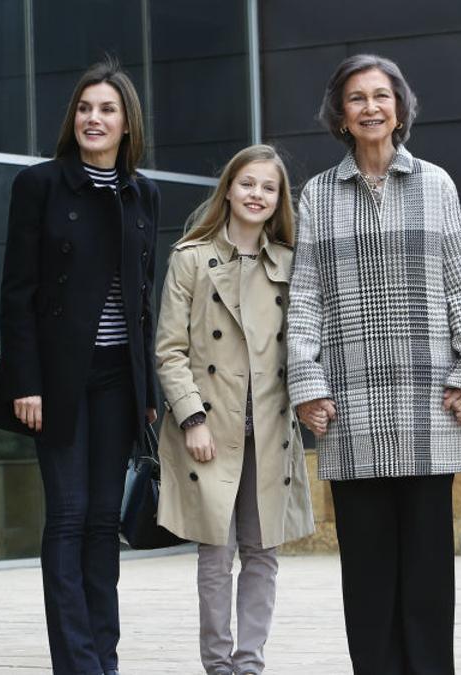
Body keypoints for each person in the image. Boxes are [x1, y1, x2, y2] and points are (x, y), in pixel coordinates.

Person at [285, 54, 461, 675]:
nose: (371, 107)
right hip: (351, 409)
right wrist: (306, 381)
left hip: (430, 407)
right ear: (341, 115)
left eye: (382, 95)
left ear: (399, 107)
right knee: (368, 577)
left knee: (429, 575)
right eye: (357, 98)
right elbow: (304, 297)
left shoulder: (437, 184)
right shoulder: (319, 194)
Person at [0, 61, 159, 675]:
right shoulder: (40, 186)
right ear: (73, 119)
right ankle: (78, 665)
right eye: (85, 107)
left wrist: (149, 391)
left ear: (126, 123)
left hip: (119, 379)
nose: (94, 118)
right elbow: (17, 292)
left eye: (107, 109)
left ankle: (102, 659)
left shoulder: (143, 194)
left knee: (104, 520)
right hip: (56, 379)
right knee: (68, 515)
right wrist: (25, 381)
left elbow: (144, 300)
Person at [154, 145, 315, 675]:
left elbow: (307, 343)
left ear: (279, 199)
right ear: (229, 188)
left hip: (270, 429)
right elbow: (169, 350)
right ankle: (218, 665)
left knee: (263, 553)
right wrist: (191, 418)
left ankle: (250, 664)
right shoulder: (191, 258)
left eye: (268, 187)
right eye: (248, 183)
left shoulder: (291, 264)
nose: (257, 195)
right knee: (216, 555)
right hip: (210, 427)